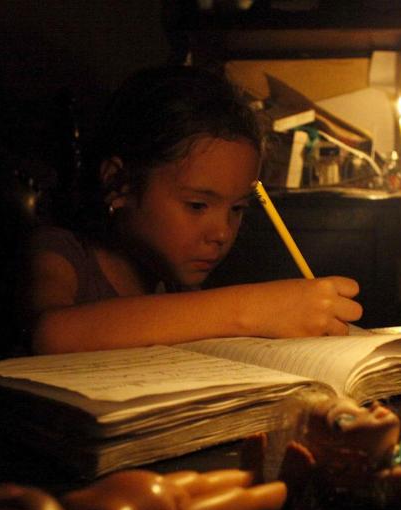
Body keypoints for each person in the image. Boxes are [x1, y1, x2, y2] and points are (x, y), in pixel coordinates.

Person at [23, 66, 362, 354]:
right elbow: (52, 334)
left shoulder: (173, 284)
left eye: (238, 208)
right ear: (120, 182)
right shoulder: (60, 252)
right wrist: (253, 308)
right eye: (198, 205)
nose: (222, 233)